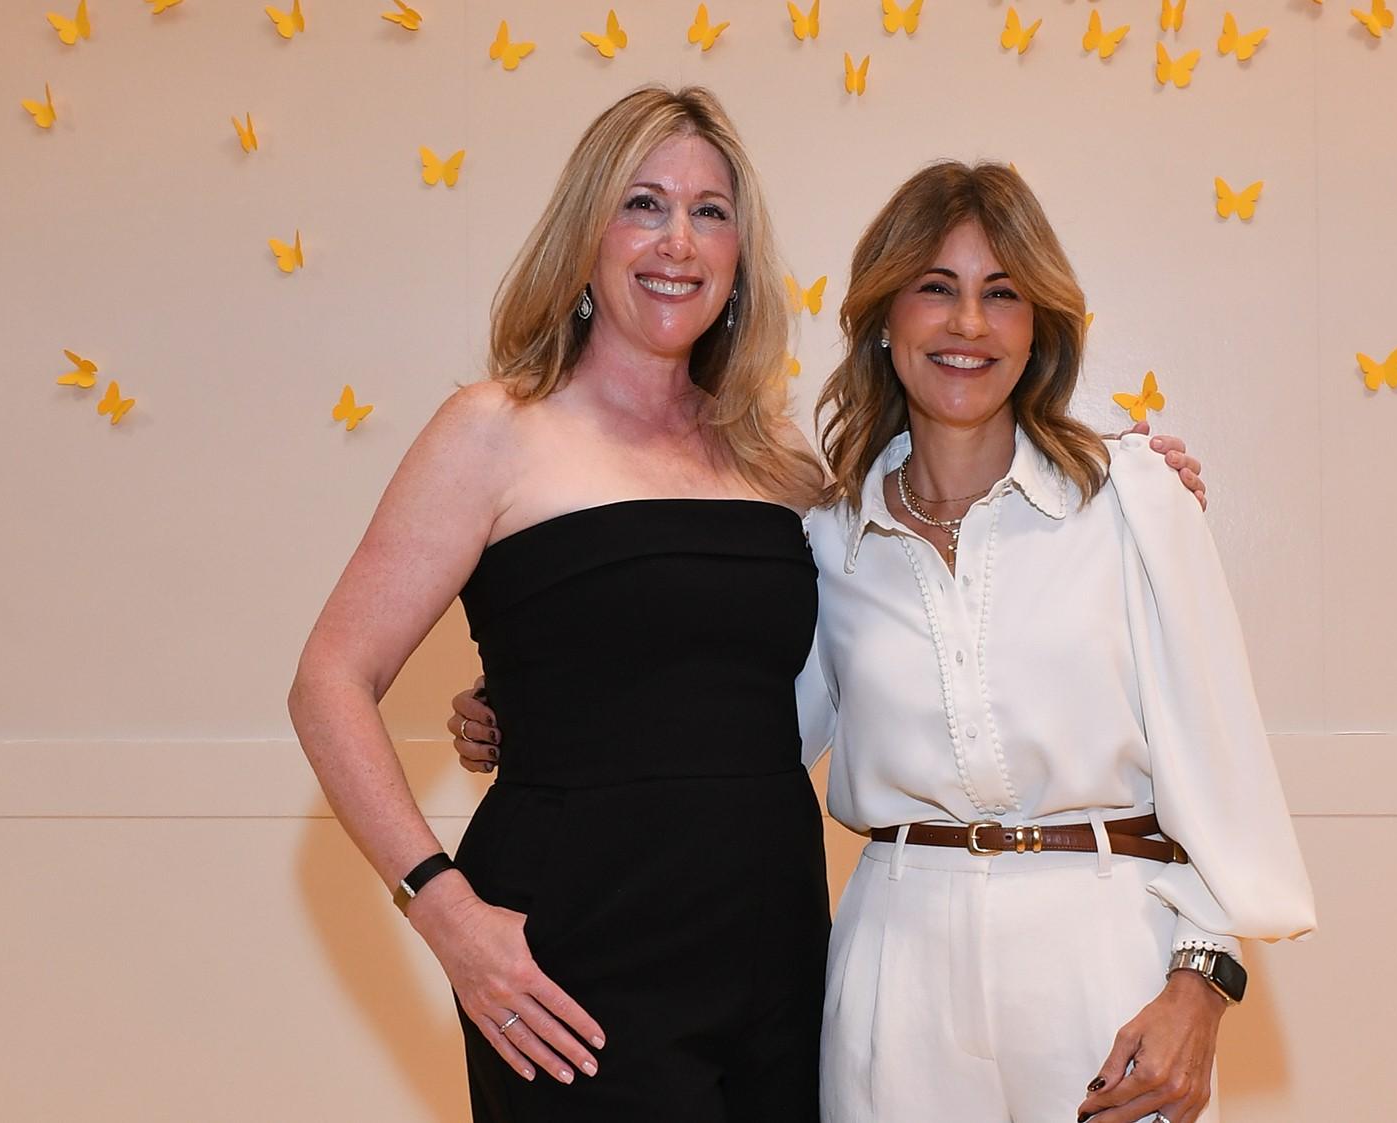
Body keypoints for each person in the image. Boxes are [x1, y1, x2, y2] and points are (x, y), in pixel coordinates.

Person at [454, 162, 1312, 1123]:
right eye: (934, 289)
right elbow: (736, 718)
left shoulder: (1133, 502)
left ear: (1040, 328)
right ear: (882, 318)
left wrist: (1201, 984)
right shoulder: (824, 534)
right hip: (891, 978)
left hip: (1104, 964)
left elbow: (1226, 777)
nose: (967, 325)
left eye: (1002, 294)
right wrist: (532, 702)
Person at [288, 86, 833, 1121]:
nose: (678, 240)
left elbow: (931, 553)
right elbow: (329, 682)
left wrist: (1117, 483)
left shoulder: (775, 456)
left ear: (739, 256)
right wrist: (444, 912)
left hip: (777, 948)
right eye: (643, 204)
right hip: (573, 967)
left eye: (710, 211)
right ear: (585, 238)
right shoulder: (493, 428)